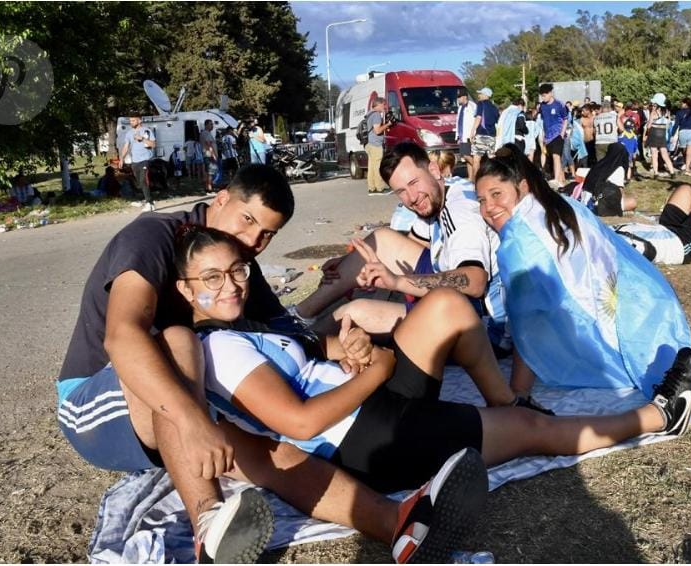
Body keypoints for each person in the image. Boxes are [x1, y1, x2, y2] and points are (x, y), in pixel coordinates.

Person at [55, 164, 485, 563]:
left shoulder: (239, 262)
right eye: (247, 220)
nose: (252, 240)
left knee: (266, 447)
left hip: (187, 392)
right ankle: (208, 521)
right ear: (221, 198)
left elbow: (292, 338)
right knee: (179, 342)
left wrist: (350, 348)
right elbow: (123, 335)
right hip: (98, 399)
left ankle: (395, 524)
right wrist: (193, 422)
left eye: (266, 234)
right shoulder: (153, 237)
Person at [178, 224, 691, 495]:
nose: (231, 285)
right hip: (369, 442)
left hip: (375, 404)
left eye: (238, 271)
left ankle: (505, 401)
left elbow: (321, 356)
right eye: (212, 278)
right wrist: (378, 370)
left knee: (447, 305)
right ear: (184, 290)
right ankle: (660, 416)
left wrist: (355, 350)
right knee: (530, 431)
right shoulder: (217, 347)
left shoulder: (248, 328)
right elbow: (299, 422)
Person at [473, 145, 691, 406]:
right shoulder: (559, 205)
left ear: (523, 187)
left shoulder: (519, 241)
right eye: (481, 200)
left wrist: (517, 393)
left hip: (617, 343)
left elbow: (528, 321)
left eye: (496, 194)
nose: (488, 207)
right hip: (650, 312)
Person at [290, 142, 506, 352]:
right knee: (382, 238)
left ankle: (296, 347)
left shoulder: (461, 214)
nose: (412, 198)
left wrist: (397, 281)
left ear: (433, 170)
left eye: (414, 183)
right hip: (454, 292)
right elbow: (409, 243)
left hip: (482, 325)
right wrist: (350, 264)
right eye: (401, 191)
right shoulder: (442, 192)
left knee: (353, 314)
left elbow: (474, 281)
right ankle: (299, 315)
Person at [570, 142, 636, 217]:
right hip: (602, 204)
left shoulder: (598, 165)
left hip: (587, 199)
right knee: (632, 201)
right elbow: (619, 193)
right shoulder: (619, 169)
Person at [119, 111, 156, 212]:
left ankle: (149, 203)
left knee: (144, 180)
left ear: (139, 120)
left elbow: (153, 145)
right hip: (135, 161)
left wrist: (142, 139)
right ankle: (147, 200)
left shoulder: (146, 131)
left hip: (145, 159)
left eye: (133, 120)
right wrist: (122, 158)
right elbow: (126, 146)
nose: (131, 122)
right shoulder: (129, 133)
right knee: (139, 183)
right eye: (130, 121)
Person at [539, 83, 569, 187]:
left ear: (550, 93)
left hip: (558, 135)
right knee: (553, 158)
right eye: (542, 96)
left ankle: (556, 179)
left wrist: (562, 133)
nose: (543, 98)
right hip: (548, 136)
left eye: (545, 95)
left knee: (556, 156)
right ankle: (561, 181)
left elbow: (565, 119)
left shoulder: (559, 105)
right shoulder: (542, 106)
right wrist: (543, 135)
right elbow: (543, 121)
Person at [644, 93, 677, 178]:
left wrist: (647, 132)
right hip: (662, 133)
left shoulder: (654, 112)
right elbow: (668, 123)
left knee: (654, 154)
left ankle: (656, 173)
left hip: (654, 132)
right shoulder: (667, 112)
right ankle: (672, 172)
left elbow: (649, 125)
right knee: (665, 154)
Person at [365, 97, 392, 195]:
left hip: (369, 143)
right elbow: (377, 131)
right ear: (379, 104)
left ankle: (372, 188)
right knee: (377, 167)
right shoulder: (376, 114)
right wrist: (388, 124)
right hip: (375, 144)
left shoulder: (369, 114)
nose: (385, 107)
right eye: (384, 104)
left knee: (371, 167)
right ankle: (380, 188)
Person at [470, 87, 500, 168]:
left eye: (480, 94)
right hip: (492, 135)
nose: (479, 95)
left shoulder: (480, 104)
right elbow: (497, 121)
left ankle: (476, 176)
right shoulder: (494, 107)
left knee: (476, 159)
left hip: (481, 134)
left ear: (485, 95)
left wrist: (472, 131)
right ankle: (493, 174)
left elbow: (478, 118)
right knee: (492, 159)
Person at [674, 98, 691, 174]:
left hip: (682, 132)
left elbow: (676, 125)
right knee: (690, 153)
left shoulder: (679, 112)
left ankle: (685, 163)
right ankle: (687, 168)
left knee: (684, 151)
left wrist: (672, 134)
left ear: (686, 104)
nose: (681, 104)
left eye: (682, 103)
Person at [455, 89, 478, 180]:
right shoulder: (460, 108)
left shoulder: (473, 106)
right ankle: (471, 178)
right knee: (466, 158)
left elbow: (477, 120)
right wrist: (457, 136)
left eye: (459, 97)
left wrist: (474, 133)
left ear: (465, 97)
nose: (458, 99)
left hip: (470, 135)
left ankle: (479, 169)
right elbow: (458, 122)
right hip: (462, 136)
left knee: (466, 155)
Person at [200, 119, 219, 194]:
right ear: (206, 125)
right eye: (211, 124)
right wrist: (213, 155)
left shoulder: (203, 133)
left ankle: (207, 188)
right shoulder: (207, 133)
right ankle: (209, 189)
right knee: (210, 172)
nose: (212, 126)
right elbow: (209, 145)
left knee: (207, 172)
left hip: (206, 155)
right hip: (209, 155)